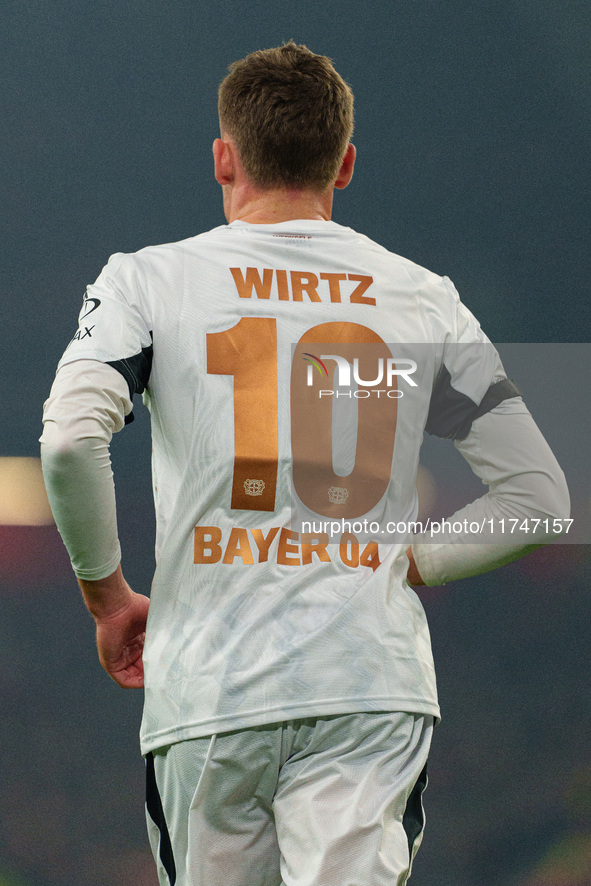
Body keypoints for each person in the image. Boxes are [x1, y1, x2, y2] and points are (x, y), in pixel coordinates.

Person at [40, 42, 569, 886]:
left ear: (224, 156)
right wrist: (416, 562)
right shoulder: (420, 294)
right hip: (366, 682)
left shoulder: (148, 281)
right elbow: (540, 497)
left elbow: (69, 441)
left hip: (210, 691)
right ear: (345, 164)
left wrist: (107, 598)